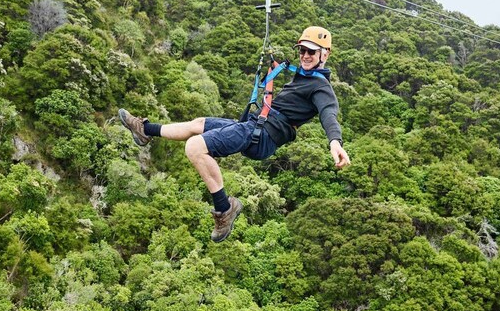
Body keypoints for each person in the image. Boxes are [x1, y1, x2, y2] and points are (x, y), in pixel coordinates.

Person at [118, 26, 350, 242]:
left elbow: (328, 114)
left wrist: (335, 142)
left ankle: (224, 208)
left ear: (325, 55)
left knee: (194, 147)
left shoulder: (322, 88)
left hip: (262, 135)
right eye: (302, 50)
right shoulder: (303, 75)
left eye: (311, 51)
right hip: (255, 124)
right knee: (197, 124)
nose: (305, 55)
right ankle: (144, 130)